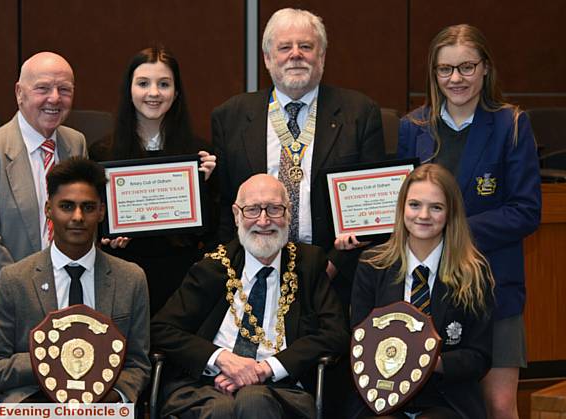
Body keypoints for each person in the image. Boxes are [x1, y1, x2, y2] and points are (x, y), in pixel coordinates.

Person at [397, 24, 541, 419]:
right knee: (431, 404)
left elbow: (527, 210)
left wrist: (453, 230)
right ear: (434, 74)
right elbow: (400, 206)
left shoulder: (511, 124)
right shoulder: (414, 128)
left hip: (493, 284)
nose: (456, 78)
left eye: (466, 67)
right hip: (429, 291)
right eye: (445, 70)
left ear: (485, 69)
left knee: (498, 405)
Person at [212, 8, 385, 304]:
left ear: (322, 56)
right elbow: (224, 207)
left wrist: (330, 267)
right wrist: (241, 269)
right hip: (250, 272)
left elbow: (370, 209)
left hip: (334, 276)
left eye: (306, 46)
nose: (296, 55)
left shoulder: (360, 113)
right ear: (267, 59)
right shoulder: (230, 117)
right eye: (284, 47)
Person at [0, 52, 88, 402]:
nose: (54, 98)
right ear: (19, 93)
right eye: (43, 88)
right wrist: (33, 307)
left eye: (64, 89)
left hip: (64, 319)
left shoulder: (76, 144)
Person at [151, 174, 349, 419]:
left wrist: (266, 369)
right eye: (252, 210)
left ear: (288, 214)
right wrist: (222, 359)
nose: (264, 221)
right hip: (205, 388)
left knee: (253, 399)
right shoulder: (213, 268)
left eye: (275, 209)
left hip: (283, 391)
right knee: (220, 410)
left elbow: (335, 333)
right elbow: (161, 329)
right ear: (236, 215)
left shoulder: (308, 264)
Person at [0, 157, 151, 403]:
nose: (78, 216)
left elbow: (137, 364)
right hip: (35, 401)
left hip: (105, 405)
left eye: (88, 207)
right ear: (49, 209)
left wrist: (111, 397)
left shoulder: (130, 278)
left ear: (101, 211)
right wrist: (48, 357)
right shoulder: (15, 279)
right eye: (67, 206)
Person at [347, 164, 495, 418]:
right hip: (381, 395)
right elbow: (359, 337)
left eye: (436, 207)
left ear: (451, 213)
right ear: (401, 208)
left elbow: (479, 357)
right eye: (415, 205)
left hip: (446, 398)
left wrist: (430, 362)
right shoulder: (372, 264)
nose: (423, 215)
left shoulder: (473, 271)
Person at [89, 46, 216, 316]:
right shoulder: (101, 154)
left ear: (177, 92)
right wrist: (107, 236)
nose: (154, 93)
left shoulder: (200, 156)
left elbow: (214, 230)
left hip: (183, 282)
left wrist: (205, 186)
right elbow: (94, 221)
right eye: (143, 83)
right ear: (129, 90)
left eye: (164, 84)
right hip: (122, 279)